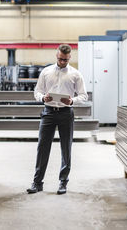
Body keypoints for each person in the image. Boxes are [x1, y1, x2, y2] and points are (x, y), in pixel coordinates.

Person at [27, 44, 88, 195]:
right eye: (60, 59)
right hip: (48, 112)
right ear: (56, 56)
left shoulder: (76, 74)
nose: (62, 62)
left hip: (66, 113)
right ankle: (37, 183)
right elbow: (37, 91)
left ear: (70, 57)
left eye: (65, 60)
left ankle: (63, 183)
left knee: (66, 148)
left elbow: (84, 96)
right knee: (42, 147)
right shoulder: (46, 72)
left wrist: (72, 101)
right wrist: (43, 97)